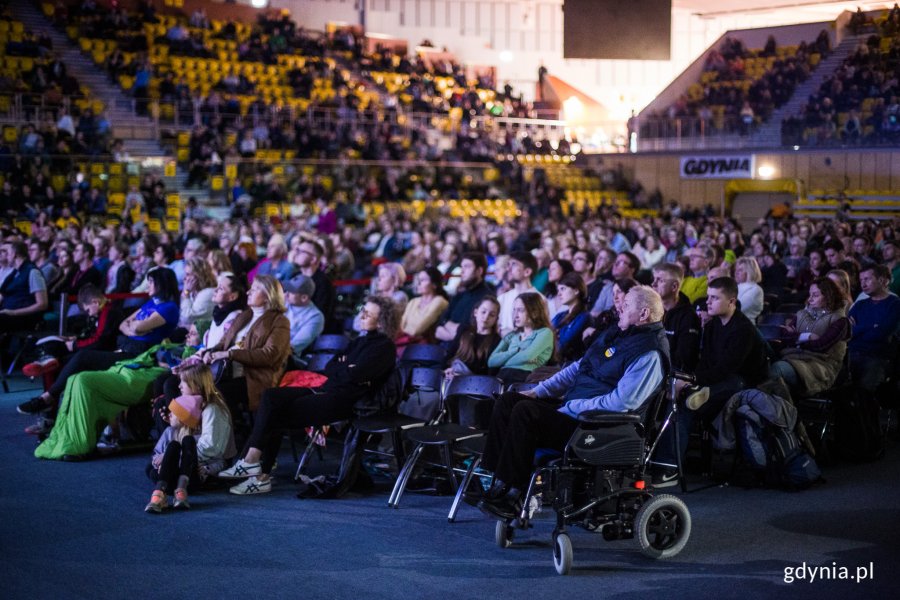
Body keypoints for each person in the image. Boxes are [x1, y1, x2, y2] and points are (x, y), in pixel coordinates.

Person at [476, 286, 670, 519]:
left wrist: (573, 407)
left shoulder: (649, 352)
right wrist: (538, 391)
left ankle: (514, 495)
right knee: (509, 401)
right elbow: (577, 368)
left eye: (626, 304)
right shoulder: (617, 333)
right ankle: (494, 481)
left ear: (644, 314)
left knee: (525, 413)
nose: (619, 306)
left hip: (598, 427)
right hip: (576, 412)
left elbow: (621, 403)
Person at [218, 297, 398, 495]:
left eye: (368, 314)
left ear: (381, 322)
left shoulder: (384, 347)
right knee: (270, 397)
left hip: (345, 401)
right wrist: (346, 368)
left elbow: (357, 374)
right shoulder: (360, 341)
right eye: (362, 310)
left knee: (275, 413)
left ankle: (258, 473)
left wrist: (345, 368)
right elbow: (331, 367)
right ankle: (253, 465)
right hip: (328, 389)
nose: (361, 315)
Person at [17, 268, 180, 418]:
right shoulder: (152, 303)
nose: (148, 285)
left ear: (162, 283)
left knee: (82, 357)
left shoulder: (169, 307)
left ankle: (47, 399)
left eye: (151, 281)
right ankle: (51, 415)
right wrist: (135, 328)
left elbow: (137, 328)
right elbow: (124, 324)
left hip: (140, 355)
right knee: (67, 361)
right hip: (125, 347)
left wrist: (135, 327)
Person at [653, 277, 768, 486]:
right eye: (708, 297)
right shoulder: (714, 325)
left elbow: (727, 368)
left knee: (688, 400)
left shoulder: (743, 329)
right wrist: (688, 380)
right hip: (717, 380)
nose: (708, 302)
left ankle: (669, 467)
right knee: (681, 398)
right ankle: (664, 463)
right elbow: (705, 362)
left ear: (732, 301)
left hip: (744, 383)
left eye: (715, 298)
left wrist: (691, 382)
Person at [144, 363, 236, 512]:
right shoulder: (197, 404)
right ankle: (166, 488)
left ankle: (175, 487)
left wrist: (172, 458)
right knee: (153, 467)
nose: (179, 386)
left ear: (196, 385)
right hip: (193, 459)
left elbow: (210, 448)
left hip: (208, 464)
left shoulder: (213, 408)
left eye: (183, 382)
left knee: (159, 469)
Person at [199, 275, 292, 421]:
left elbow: (269, 355)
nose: (248, 292)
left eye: (254, 289)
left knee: (215, 393)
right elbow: (222, 344)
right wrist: (209, 353)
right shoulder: (244, 315)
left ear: (268, 296)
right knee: (174, 382)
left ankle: (223, 437)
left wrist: (230, 354)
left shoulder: (280, 321)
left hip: (253, 378)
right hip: (226, 373)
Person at [769, 277, 849, 397]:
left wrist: (795, 338)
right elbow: (785, 335)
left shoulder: (840, 321)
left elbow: (821, 346)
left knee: (776, 370)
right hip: (792, 357)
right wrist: (808, 336)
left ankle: (782, 410)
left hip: (818, 366)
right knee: (758, 355)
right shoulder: (802, 314)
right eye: (810, 294)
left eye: (815, 295)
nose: (810, 299)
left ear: (828, 296)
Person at [847, 264, 900, 394]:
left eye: (867, 279)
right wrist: (871, 326)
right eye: (861, 280)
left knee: (864, 391)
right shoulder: (860, 304)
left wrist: (858, 328)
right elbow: (846, 330)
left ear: (881, 280)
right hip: (851, 354)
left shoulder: (895, 304)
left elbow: (881, 334)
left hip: (877, 357)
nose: (863, 284)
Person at [487, 292, 554, 383]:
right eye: (514, 310)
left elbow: (527, 356)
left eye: (520, 310)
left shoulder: (545, 332)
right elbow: (491, 361)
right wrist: (515, 351)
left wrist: (502, 361)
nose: (515, 315)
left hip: (525, 379)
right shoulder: (512, 335)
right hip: (502, 376)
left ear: (535, 313)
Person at [651, 262, 701, 371]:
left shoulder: (688, 317)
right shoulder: (651, 309)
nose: (653, 284)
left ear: (674, 286)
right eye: (654, 279)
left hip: (671, 372)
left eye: (660, 280)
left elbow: (684, 359)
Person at [435, 253, 493, 344]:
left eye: (467, 267)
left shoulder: (487, 298)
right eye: (462, 267)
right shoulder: (459, 294)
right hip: (445, 348)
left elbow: (471, 333)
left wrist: (448, 326)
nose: (462, 271)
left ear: (479, 271)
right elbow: (439, 325)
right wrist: (456, 334)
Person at [444, 296, 501, 378]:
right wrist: (446, 370)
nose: (486, 317)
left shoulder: (497, 341)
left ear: (496, 319)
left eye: (492, 315)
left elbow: (489, 371)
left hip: (475, 383)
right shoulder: (464, 330)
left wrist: (461, 376)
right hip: (452, 374)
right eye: (483, 312)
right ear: (476, 312)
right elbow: (450, 354)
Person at [0, 240, 49, 332]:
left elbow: (42, 304)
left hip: (22, 317)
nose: (6, 256)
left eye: (8, 253)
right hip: (7, 314)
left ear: (14, 254)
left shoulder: (33, 272)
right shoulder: (15, 273)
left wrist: (13, 312)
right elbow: (3, 293)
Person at [497, 251, 544, 336]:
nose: (508, 269)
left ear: (527, 272)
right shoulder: (502, 298)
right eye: (508, 265)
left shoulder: (540, 299)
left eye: (514, 264)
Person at [399, 267, 449, 344]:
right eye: (418, 280)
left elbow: (418, 329)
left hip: (425, 347)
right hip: (406, 341)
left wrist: (403, 333)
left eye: (423, 280)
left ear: (434, 284)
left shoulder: (440, 301)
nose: (418, 283)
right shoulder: (413, 301)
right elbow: (401, 325)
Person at [283, 273, 325, 363]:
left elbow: (293, 347)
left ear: (304, 298)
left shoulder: (315, 317)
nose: (286, 294)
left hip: (289, 360)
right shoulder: (283, 303)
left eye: (291, 292)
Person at [550, 272, 590, 364]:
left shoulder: (584, 317)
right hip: (555, 361)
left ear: (576, 290)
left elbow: (564, 344)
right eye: (558, 290)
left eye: (563, 289)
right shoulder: (560, 315)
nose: (559, 294)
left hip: (568, 365)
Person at [177, 257, 216, 330]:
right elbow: (181, 317)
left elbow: (187, 317)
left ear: (199, 275)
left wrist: (186, 294)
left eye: (188, 274)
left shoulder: (208, 293)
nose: (185, 278)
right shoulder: (192, 292)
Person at [735, 256, 764, 323]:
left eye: (740, 270)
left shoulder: (756, 290)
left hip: (745, 326)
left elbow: (739, 308)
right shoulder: (735, 287)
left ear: (749, 271)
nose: (736, 272)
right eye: (736, 269)